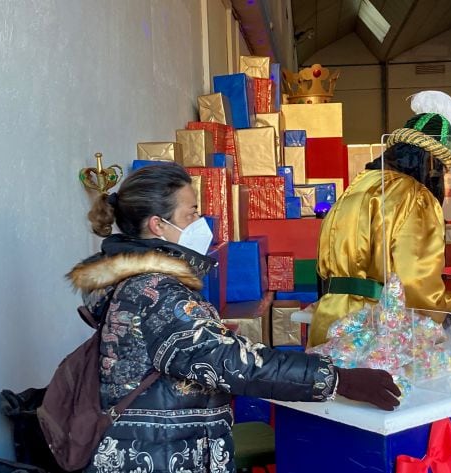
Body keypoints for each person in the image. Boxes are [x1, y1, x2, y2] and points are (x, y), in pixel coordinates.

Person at [68, 164, 401, 473]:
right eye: (192, 212)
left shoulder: (134, 281)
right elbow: (235, 364)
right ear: (158, 224)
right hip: (157, 455)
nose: (202, 221)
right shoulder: (155, 290)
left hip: (151, 445)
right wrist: (338, 379)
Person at [309, 91, 451, 347]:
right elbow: (416, 288)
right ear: (431, 161)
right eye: (441, 171)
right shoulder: (416, 197)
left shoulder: (356, 187)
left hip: (328, 323)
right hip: (375, 330)